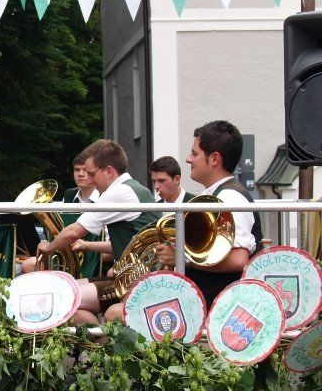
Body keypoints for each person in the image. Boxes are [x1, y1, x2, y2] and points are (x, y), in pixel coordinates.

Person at [35, 139, 159, 324]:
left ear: (109, 171)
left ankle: (101, 341)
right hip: (136, 279)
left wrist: (49, 247)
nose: (91, 180)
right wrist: (88, 246)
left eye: (92, 174)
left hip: (138, 284)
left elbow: (74, 231)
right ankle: (100, 340)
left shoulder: (119, 192)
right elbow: (127, 244)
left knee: (63, 296)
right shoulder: (137, 189)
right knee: (67, 291)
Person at [156, 120, 262, 305]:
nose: (188, 159)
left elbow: (238, 260)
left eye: (194, 153)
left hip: (221, 304)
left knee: (117, 312)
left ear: (214, 159)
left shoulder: (230, 197)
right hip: (212, 300)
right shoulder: (216, 195)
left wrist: (181, 259)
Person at [60, 153, 104, 279]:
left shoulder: (104, 197)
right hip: (68, 259)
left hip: (97, 264)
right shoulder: (69, 195)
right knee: (29, 264)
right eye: (77, 170)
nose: (80, 174)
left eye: (85, 170)